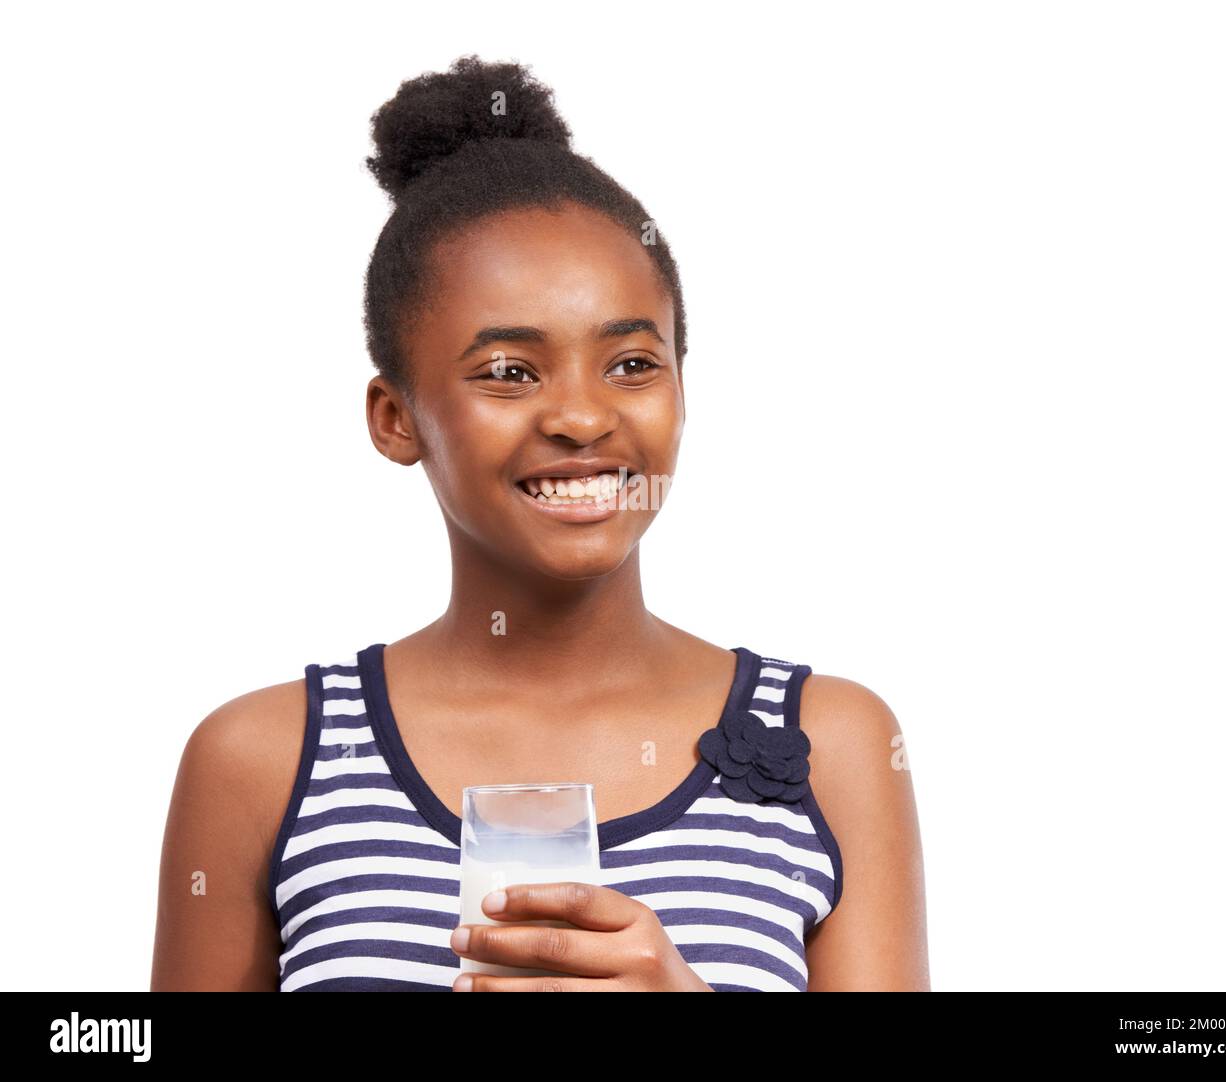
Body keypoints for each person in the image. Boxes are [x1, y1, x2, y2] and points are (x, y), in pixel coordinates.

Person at [150, 54, 929, 992]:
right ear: (396, 419)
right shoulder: (263, 761)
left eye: (633, 364)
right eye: (510, 372)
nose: (583, 417)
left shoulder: (832, 745)